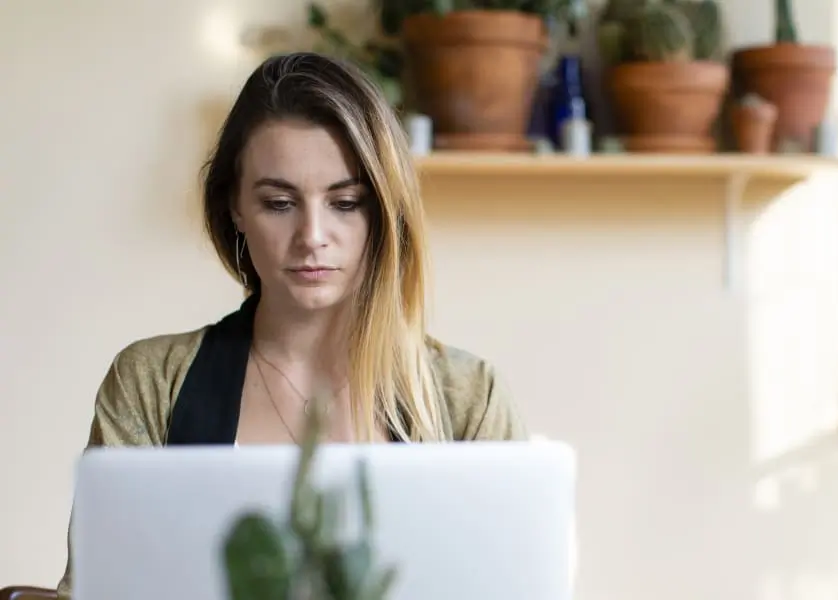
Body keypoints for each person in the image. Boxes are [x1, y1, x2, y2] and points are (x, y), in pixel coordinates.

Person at [54, 51, 526, 598]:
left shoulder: (468, 396)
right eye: (279, 203)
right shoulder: (152, 383)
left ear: (387, 211)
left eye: (346, 203)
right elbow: (91, 588)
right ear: (234, 207)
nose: (312, 236)